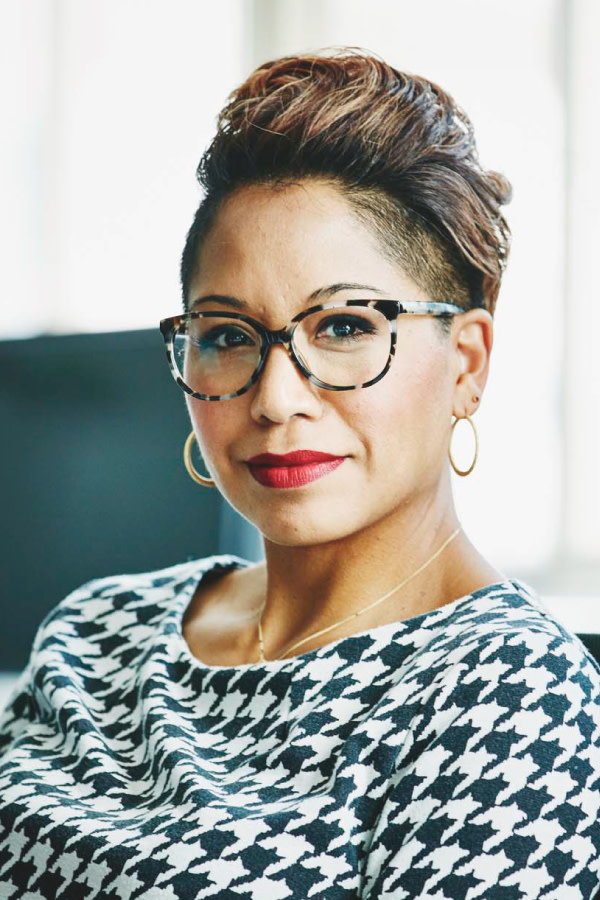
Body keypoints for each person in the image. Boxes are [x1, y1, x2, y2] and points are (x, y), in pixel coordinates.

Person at [1, 48, 599, 900]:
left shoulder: (512, 698)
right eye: (228, 335)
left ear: (466, 362)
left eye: (346, 326)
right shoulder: (93, 634)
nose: (277, 398)